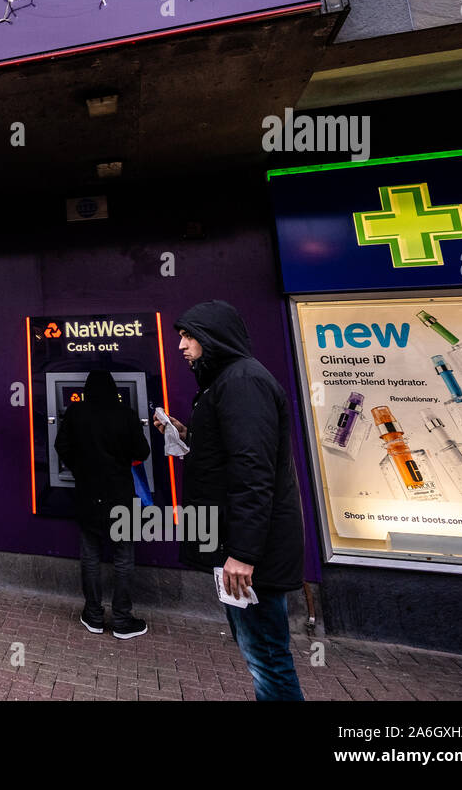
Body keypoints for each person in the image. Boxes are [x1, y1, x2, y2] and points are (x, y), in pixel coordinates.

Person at [155, 300, 305, 701]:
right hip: (239, 549)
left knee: (268, 661)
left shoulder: (241, 383)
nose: (182, 347)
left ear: (213, 336)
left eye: (189, 337)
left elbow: (252, 474)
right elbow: (231, 456)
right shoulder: (227, 382)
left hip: (250, 556)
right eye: (181, 337)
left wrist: (242, 554)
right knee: (259, 656)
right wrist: (187, 435)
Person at [54, 370, 152, 639]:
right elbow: (142, 452)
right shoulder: (127, 414)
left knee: (90, 556)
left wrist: (80, 468)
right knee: (123, 557)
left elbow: (61, 445)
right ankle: (122, 620)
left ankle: (94, 616)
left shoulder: (76, 412)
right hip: (120, 494)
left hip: (88, 494)